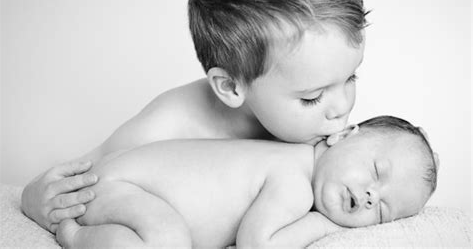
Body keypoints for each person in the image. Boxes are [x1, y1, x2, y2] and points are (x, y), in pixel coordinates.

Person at [21, 0, 368, 233]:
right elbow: (90, 173)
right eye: (313, 97)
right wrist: (35, 196)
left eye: (350, 77)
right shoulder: (169, 124)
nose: (342, 108)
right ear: (232, 87)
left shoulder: (311, 127)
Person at [54, 116, 439, 248]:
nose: (372, 196)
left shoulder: (296, 163)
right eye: (375, 172)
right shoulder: (294, 178)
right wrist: (322, 223)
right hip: (118, 188)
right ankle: (73, 236)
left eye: (383, 210)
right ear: (342, 135)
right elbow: (257, 243)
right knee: (167, 242)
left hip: (125, 184)